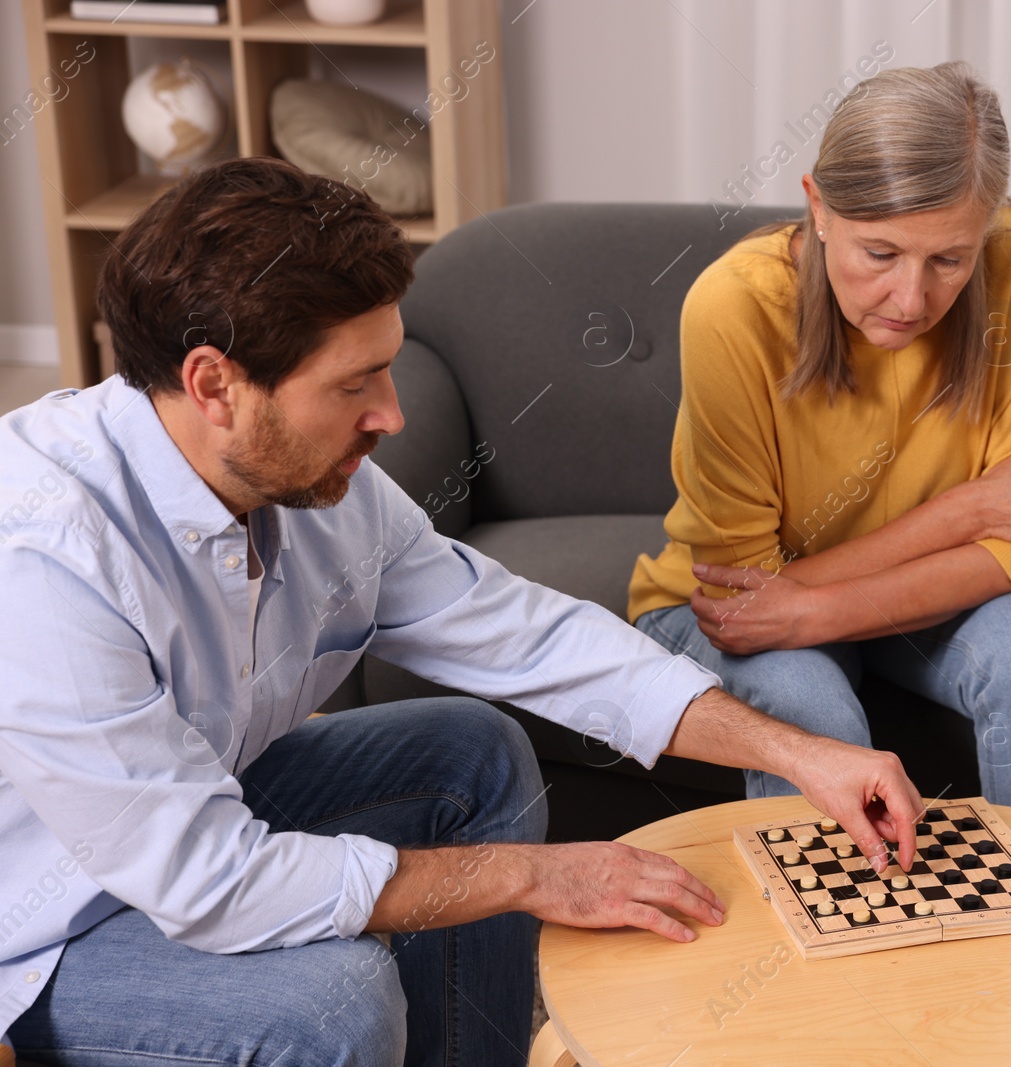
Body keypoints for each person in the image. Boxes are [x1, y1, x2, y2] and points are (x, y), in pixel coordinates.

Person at [0, 158, 925, 1067]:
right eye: (354, 383)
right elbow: (208, 881)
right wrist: (534, 875)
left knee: (470, 751)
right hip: (43, 927)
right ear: (214, 386)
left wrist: (800, 752)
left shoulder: (317, 486)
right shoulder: (46, 557)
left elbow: (527, 635)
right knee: (334, 1004)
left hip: (190, 818)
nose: (392, 415)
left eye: (388, 370)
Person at [629, 62, 1011, 817]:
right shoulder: (729, 308)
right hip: (722, 603)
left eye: (950, 258)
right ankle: (840, 936)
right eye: (879, 253)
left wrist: (817, 611)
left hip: (842, 599)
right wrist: (969, 510)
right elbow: (747, 598)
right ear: (818, 206)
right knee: (799, 695)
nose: (912, 299)